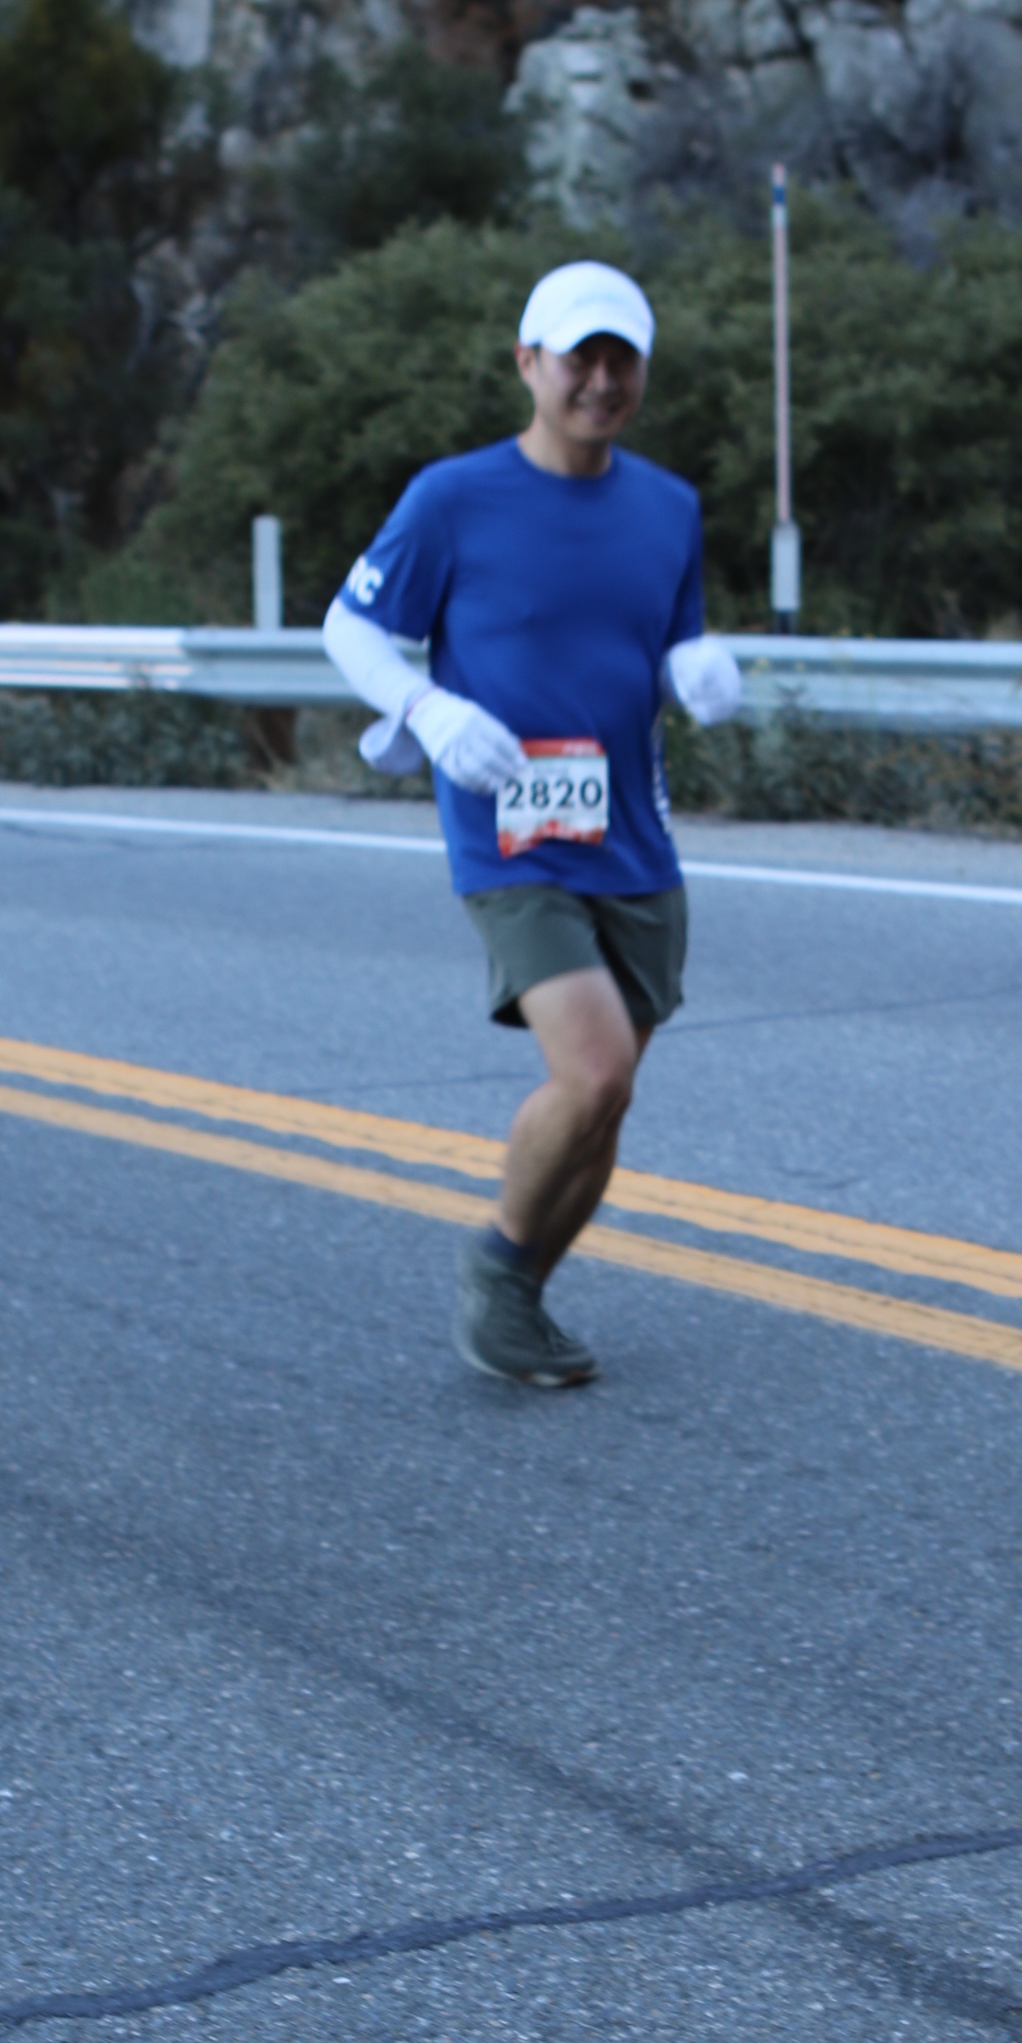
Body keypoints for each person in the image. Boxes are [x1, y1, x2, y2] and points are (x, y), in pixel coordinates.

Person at [321, 257, 744, 1387]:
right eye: (578, 358)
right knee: (593, 1072)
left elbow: (666, 638)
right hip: (506, 826)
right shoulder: (451, 498)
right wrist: (428, 707)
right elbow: (348, 627)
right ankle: (497, 1269)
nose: (600, 381)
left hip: (634, 834)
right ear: (527, 363)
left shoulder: (668, 507)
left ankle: (521, 1301)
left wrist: (694, 667)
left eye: (621, 360)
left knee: (607, 1105)